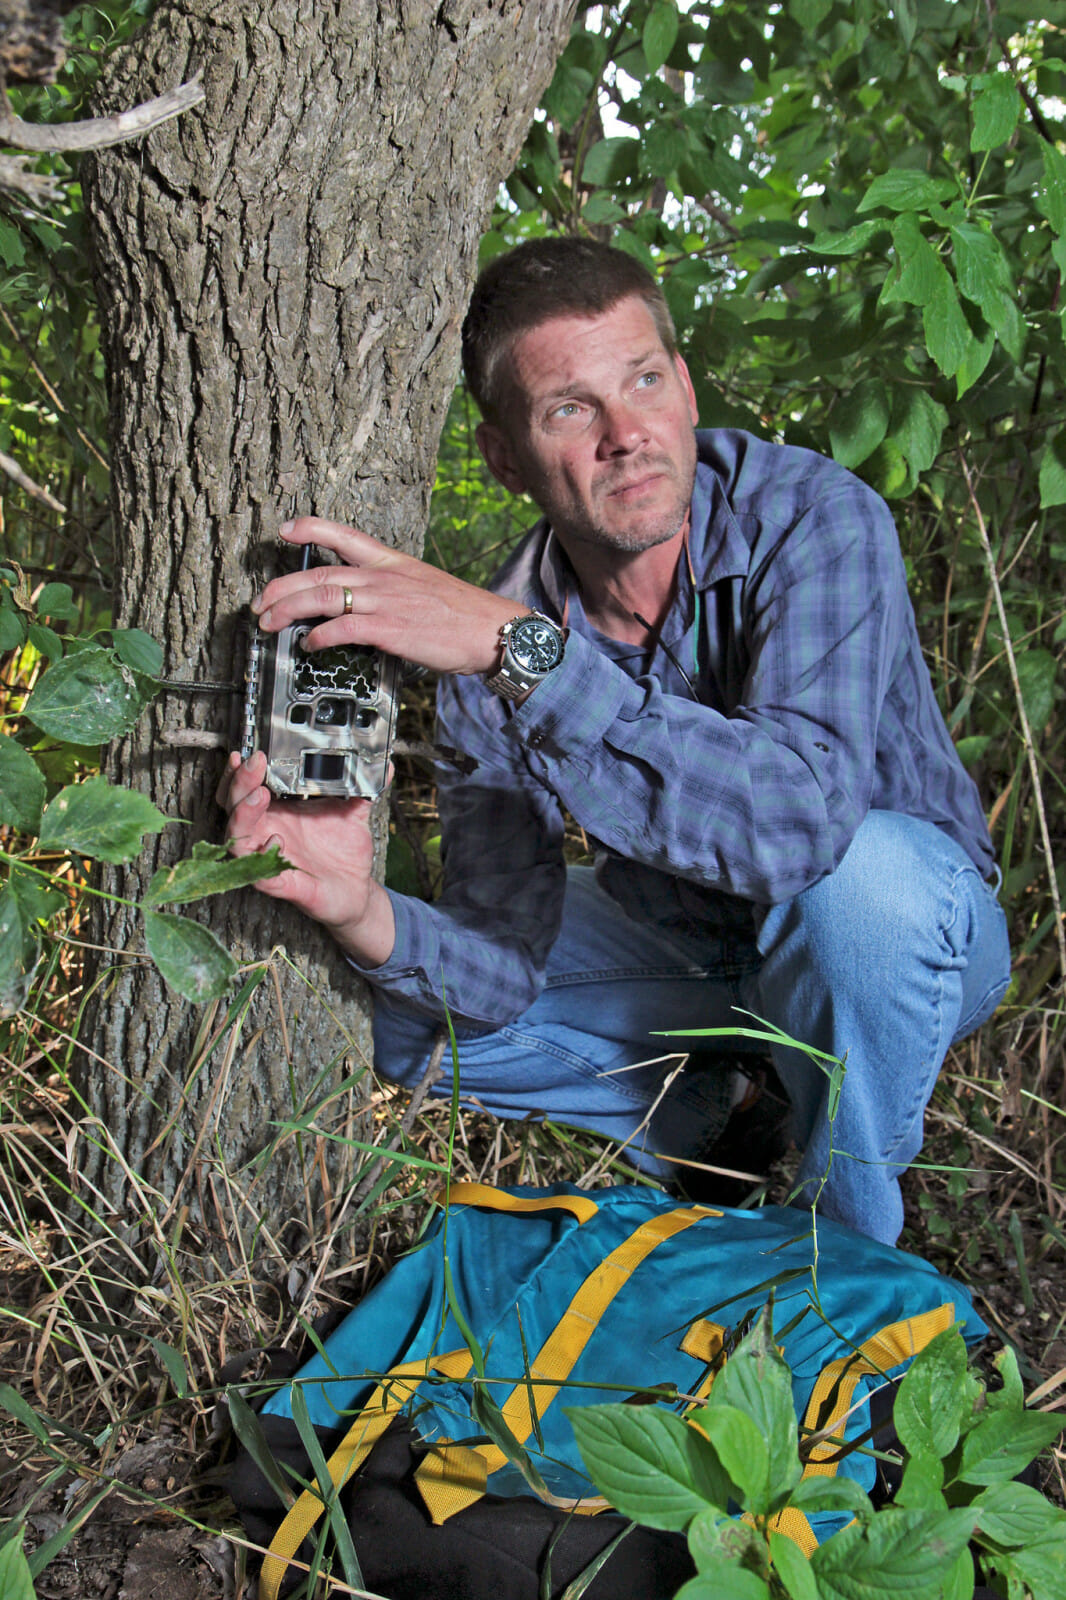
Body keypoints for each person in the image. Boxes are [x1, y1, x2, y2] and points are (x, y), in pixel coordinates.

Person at [219, 237, 1011, 1246]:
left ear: (683, 389)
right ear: (506, 457)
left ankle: (839, 1244)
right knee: (389, 1016)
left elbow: (797, 832)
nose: (625, 434)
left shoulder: (813, 518)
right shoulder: (493, 636)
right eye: (568, 409)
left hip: (901, 937)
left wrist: (528, 657)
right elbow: (501, 965)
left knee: (859, 885)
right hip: (686, 954)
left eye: (643, 381)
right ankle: (720, 1118)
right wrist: (359, 906)